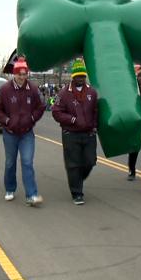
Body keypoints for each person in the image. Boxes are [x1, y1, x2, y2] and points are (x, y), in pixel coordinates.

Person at [0, 58, 46, 206]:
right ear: (14, 74)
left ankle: (32, 194)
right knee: (10, 163)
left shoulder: (33, 89)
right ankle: (10, 189)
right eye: (19, 74)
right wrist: (7, 121)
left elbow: (42, 105)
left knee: (27, 162)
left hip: (27, 133)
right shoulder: (4, 90)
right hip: (10, 133)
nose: (22, 77)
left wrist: (33, 118)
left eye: (24, 74)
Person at [51, 59, 98, 205]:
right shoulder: (64, 93)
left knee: (90, 161)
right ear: (73, 77)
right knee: (73, 165)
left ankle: (78, 179)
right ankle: (77, 193)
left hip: (89, 134)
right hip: (71, 134)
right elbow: (56, 112)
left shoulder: (92, 92)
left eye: (83, 76)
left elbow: (97, 111)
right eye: (78, 76)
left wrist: (95, 125)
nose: (81, 79)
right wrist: (71, 119)